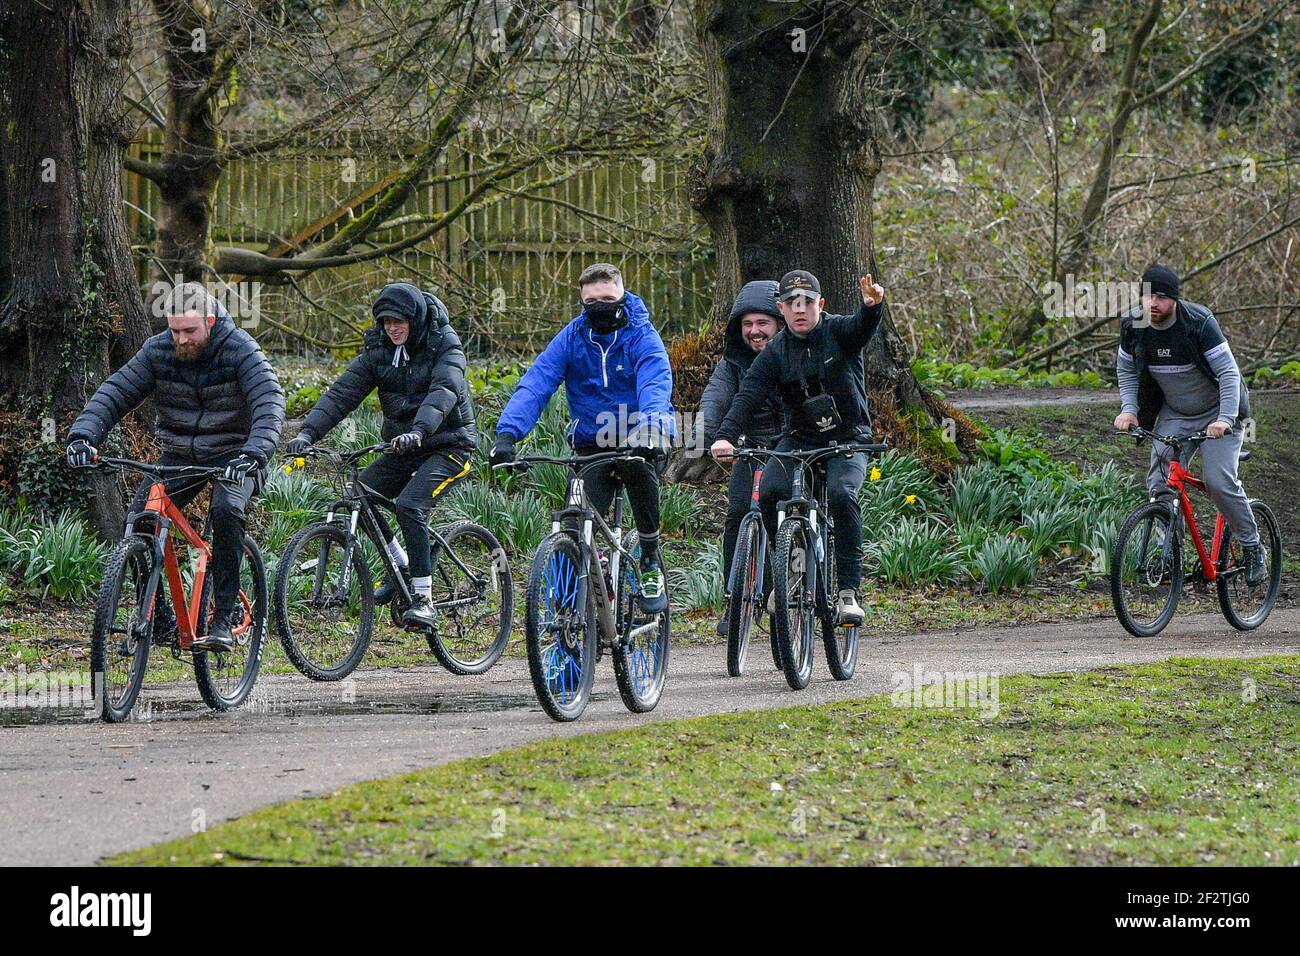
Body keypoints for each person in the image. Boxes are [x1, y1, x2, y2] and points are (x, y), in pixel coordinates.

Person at [66, 281, 285, 651]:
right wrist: (83, 436)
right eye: (174, 330)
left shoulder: (242, 351)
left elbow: (269, 404)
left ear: (211, 322)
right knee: (140, 519)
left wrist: (255, 452)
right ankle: (159, 619)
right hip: (181, 455)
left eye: (189, 331)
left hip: (238, 455)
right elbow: (116, 391)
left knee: (227, 511)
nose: (181, 340)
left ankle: (223, 617)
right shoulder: (158, 351)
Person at [285, 282, 477, 628]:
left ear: (414, 318)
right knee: (361, 493)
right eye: (386, 322)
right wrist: (306, 433)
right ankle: (399, 565)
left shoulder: (443, 344)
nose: (393, 328)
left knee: (409, 505)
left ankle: (424, 599)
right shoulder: (379, 350)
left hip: (450, 445)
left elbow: (444, 390)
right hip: (404, 445)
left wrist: (420, 430)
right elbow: (342, 394)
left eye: (399, 321)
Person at [489, 262, 676, 613]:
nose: (601, 307)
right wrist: (507, 435)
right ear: (582, 302)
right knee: (575, 521)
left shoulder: (642, 335)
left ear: (622, 294)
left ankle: (650, 558)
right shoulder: (572, 338)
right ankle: (579, 584)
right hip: (592, 444)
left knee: (638, 468)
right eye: (592, 302)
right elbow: (537, 383)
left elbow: (655, 381)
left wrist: (652, 428)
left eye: (608, 298)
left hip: (643, 437)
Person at [710, 269, 886, 626]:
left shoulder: (839, 333)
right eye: (792, 303)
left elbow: (861, 328)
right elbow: (747, 396)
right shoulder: (775, 351)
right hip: (799, 441)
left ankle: (848, 593)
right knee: (770, 491)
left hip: (847, 439)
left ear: (820, 304)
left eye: (807, 301)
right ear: (782, 309)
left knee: (841, 493)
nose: (800, 309)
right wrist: (724, 436)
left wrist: (871, 308)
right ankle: (782, 577)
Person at [1114, 263, 1265, 585]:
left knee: (1218, 481)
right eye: (1147, 296)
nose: (1153, 303)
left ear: (1176, 300)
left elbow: (1228, 374)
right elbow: (1126, 371)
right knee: (1160, 482)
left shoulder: (1198, 322)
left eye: (1162, 297)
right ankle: (1169, 554)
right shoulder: (1133, 324)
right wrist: (1129, 410)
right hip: (1176, 413)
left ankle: (1253, 547)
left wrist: (1225, 418)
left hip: (1220, 412)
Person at [699, 280, 786, 635]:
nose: (755, 332)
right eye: (747, 324)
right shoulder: (732, 364)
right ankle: (734, 598)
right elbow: (714, 400)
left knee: (783, 513)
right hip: (750, 447)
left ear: (779, 323)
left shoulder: (793, 354)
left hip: (791, 446)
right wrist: (708, 439)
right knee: (738, 513)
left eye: (762, 323)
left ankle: (787, 589)